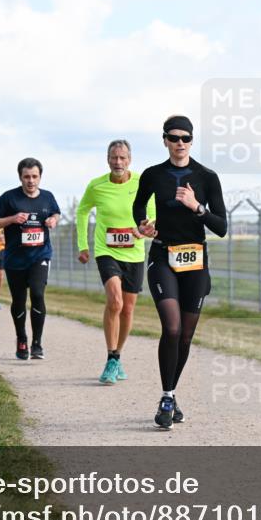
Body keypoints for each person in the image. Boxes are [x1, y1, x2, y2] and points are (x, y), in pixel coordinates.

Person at [132, 115, 227, 429]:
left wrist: (197, 206)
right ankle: (167, 395)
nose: (180, 143)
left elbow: (221, 227)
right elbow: (138, 206)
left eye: (185, 138)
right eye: (174, 138)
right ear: (165, 141)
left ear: (191, 140)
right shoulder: (153, 175)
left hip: (195, 261)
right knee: (171, 328)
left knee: (186, 335)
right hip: (162, 256)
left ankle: (171, 391)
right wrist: (143, 224)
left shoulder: (207, 177)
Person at [77, 139, 156, 384]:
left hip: (134, 252)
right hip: (106, 250)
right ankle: (111, 358)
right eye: (114, 157)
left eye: (122, 158)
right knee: (115, 301)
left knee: (128, 308)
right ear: (107, 159)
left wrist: (142, 229)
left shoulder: (142, 182)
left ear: (129, 159)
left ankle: (118, 355)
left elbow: (153, 214)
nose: (118, 162)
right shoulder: (96, 185)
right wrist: (83, 245)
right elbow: (82, 211)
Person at [0, 158, 61, 360]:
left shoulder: (47, 197)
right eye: (26, 177)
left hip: (40, 255)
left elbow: (56, 212)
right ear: (20, 177)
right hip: (15, 259)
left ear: (40, 177)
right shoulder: (9, 198)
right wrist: (11, 219)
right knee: (19, 300)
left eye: (34, 176)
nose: (31, 181)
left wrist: (53, 219)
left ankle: (37, 344)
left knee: (37, 293)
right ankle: (21, 339)